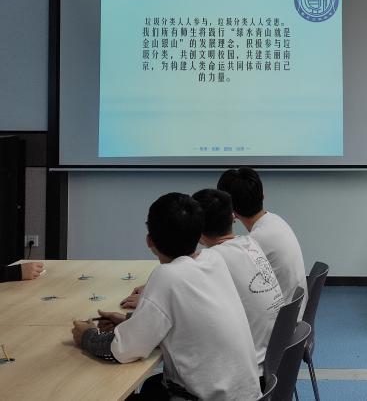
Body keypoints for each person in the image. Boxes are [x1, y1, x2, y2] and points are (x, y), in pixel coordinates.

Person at [71, 193, 260, 401]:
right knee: (151, 386)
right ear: (199, 235)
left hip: (205, 398)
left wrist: (87, 336)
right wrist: (130, 321)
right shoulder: (213, 259)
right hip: (250, 395)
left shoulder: (167, 276)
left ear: (149, 241)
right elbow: (185, 319)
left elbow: (124, 350)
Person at [192, 188, 284, 376]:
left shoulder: (211, 260)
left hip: (249, 371)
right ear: (233, 217)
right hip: (274, 361)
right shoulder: (250, 243)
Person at [217, 167, 308, 316]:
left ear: (231, 211)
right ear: (263, 196)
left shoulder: (255, 242)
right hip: (293, 313)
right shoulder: (275, 221)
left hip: (281, 320)